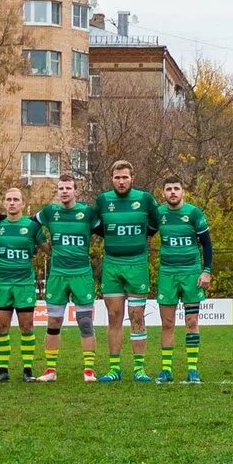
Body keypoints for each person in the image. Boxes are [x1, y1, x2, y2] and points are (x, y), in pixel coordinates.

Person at [96, 160, 159, 382]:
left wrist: (142, 237)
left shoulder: (145, 199)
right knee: (114, 316)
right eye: (117, 177)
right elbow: (94, 225)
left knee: (137, 316)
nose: (121, 181)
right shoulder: (103, 200)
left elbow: (157, 222)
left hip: (137, 264)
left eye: (125, 177)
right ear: (111, 178)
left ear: (132, 178)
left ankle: (139, 369)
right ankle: (114, 369)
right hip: (112, 264)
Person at [35, 173, 102, 381]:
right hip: (57, 275)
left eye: (68, 188)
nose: (64, 191)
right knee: (53, 322)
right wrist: (44, 246)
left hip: (81, 274)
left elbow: (107, 231)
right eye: (61, 188)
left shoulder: (87, 213)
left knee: (85, 323)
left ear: (75, 190)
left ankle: (89, 371)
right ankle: (50, 371)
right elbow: (28, 225)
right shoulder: (49, 212)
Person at [152, 175, 213, 383]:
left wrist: (206, 271)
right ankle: (166, 369)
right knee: (167, 323)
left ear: (183, 192)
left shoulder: (194, 213)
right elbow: (145, 235)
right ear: (163, 193)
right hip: (167, 273)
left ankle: (192, 369)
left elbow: (207, 244)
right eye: (168, 189)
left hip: (191, 273)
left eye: (176, 188)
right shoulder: (158, 214)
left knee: (192, 321)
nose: (172, 192)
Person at [0, 185, 47, 381]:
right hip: (2, 283)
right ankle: (3, 370)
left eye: (16, 200)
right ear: (4, 203)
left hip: (24, 283)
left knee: (27, 327)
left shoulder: (32, 227)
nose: (12, 203)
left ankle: (28, 370)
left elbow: (47, 248)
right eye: (8, 200)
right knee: (1, 327)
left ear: (23, 203)